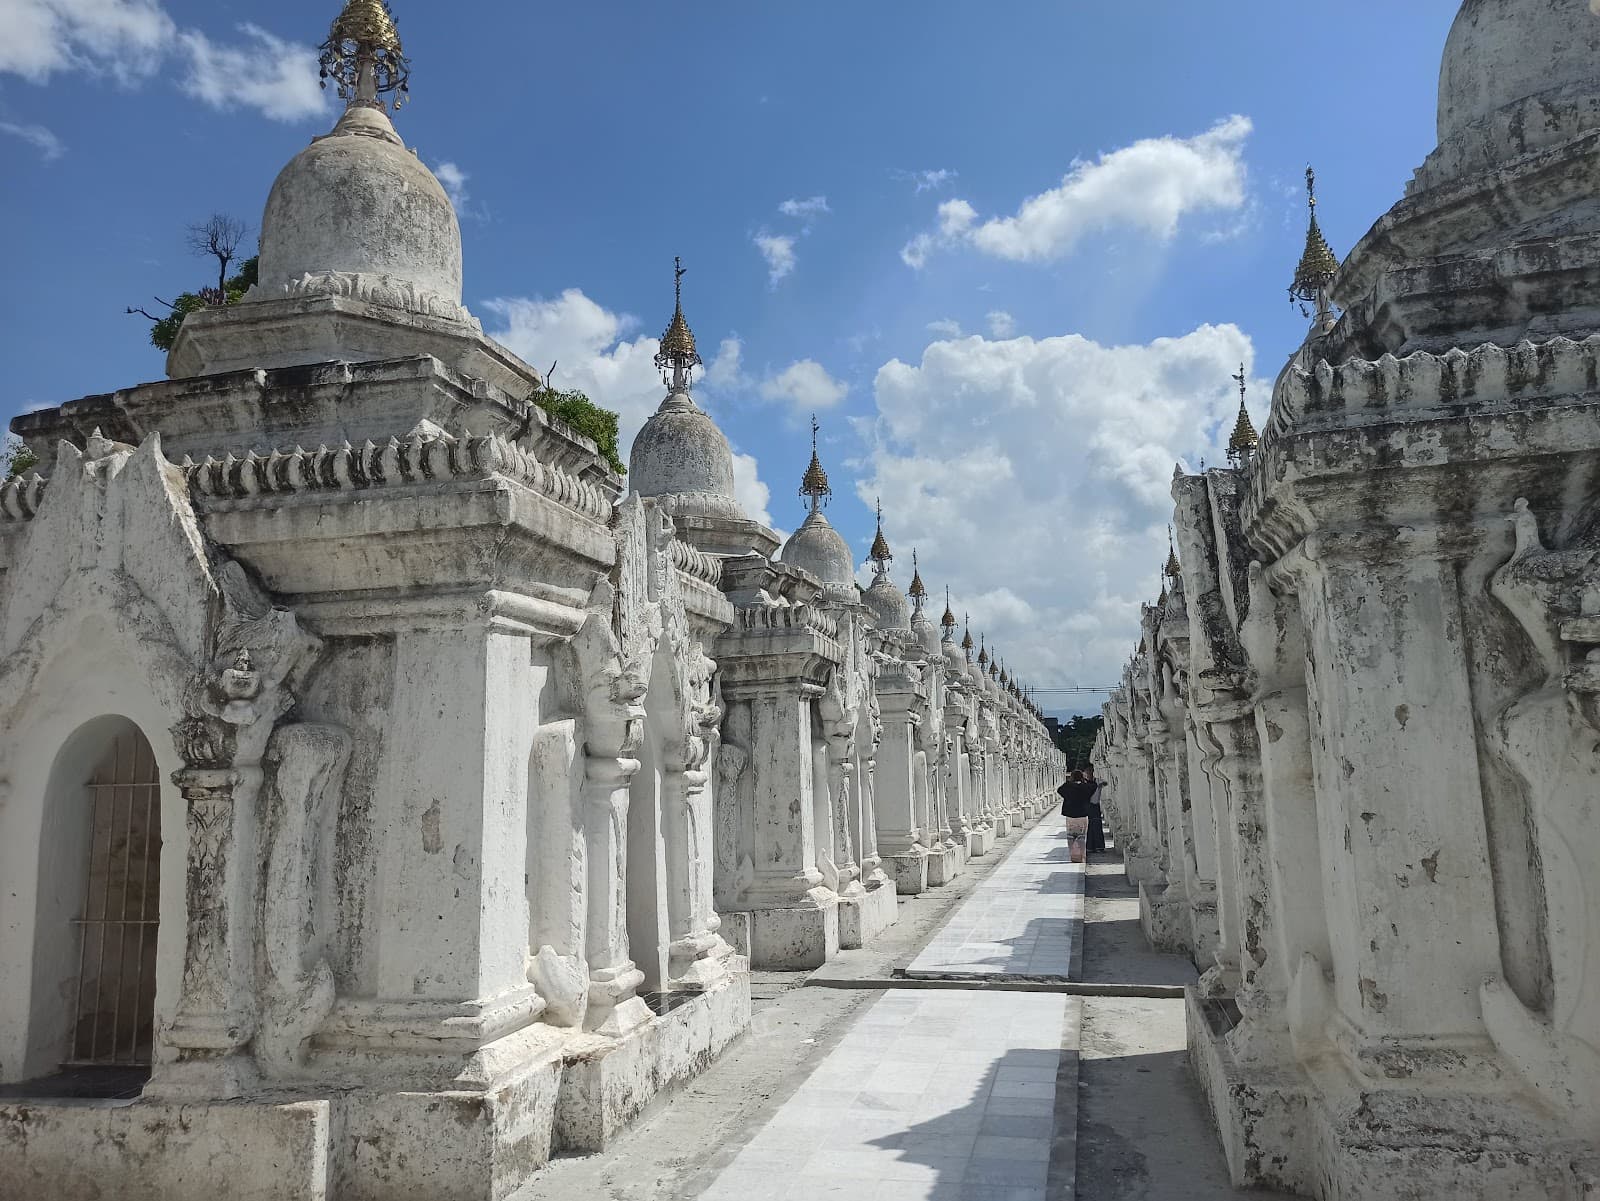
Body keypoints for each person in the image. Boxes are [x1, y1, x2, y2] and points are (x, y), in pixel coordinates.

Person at [1057, 769, 1097, 864]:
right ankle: (1081, 857)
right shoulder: (1085, 787)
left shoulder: (1068, 787)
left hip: (1070, 814)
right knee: (1082, 836)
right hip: (1083, 814)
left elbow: (1060, 790)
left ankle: (1073, 856)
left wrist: (1069, 782)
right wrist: (1087, 780)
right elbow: (1094, 786)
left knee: (1071, 836)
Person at [1086, 774, 1107, 855]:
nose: (1089, 774)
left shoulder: (1097, 781)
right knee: (1091, 828)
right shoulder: (1086, 784)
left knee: (1096, 827)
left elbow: (1105, 783)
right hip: (1091, 806)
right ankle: (1091, 847)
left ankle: (1098, 847)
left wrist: (1099, 785)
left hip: (1095, 806)